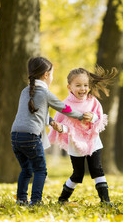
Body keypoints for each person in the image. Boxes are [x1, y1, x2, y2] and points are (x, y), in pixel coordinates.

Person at [11, 57, 91, 206]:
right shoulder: (45, 93)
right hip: (30, 136)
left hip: (15, 136)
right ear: (46, 75)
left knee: (26, 170)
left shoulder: (24, 91)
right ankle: (35, 202)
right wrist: (81, 116)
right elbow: (64, 108)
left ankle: (21, 200)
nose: (52, 78)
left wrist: (49, 120)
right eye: (52, 74)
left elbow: (32, 112)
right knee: (40, 170)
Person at [48, 66, 117, 206]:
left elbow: (99, 118)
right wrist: (60, 128)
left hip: (92, 140)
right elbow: (65, 125)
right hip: (76, 142)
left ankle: (106, 201)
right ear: (69, 87)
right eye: (78, 85)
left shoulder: (92, 101)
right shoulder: (66, 104)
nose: (83, 89)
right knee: (78, 174)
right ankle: (62, 199)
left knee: (97, 170)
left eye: (85, 85)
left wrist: (92, 117)